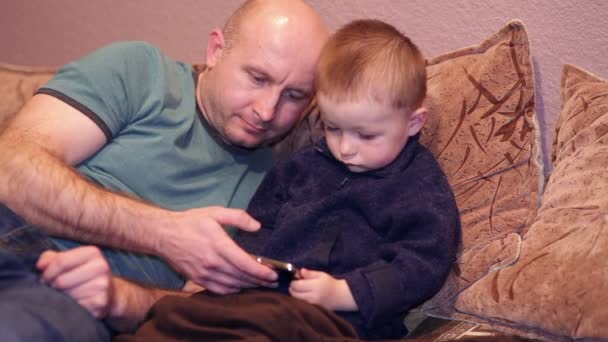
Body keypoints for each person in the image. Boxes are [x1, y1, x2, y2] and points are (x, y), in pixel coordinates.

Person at [0, 0, 328, 338]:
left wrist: (119, 298)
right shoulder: (142, 71)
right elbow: (10, 169)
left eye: (294, 95)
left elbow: (206, 309)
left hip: (66, 302)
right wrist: (165, 233)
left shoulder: (283, 190)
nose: (266, 110)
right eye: (258, 77)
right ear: (216, 50)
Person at [118, 19, 462, 341]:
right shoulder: (301, 167)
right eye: (333, 128)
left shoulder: (417, 185)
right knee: (171, 315)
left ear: (414, 123)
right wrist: (235, 271)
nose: (345, 148)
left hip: (338, 320)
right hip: (259, 300)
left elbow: (424, 261)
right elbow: (258, 229)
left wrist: (346, 292)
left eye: (366, 135)